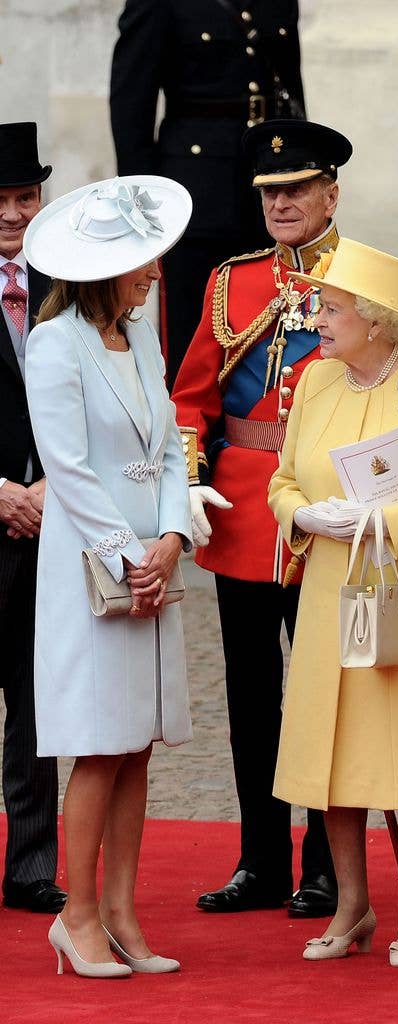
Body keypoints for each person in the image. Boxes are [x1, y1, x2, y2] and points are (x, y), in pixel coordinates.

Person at [173, 119, 398, 918]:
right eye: (269, 193)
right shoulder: (230, 283)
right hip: (250, 512)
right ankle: (258, 859)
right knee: (252, 695)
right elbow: (193, 400)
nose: (280, 204)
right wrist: (189, 485)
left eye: (295, 189)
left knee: (333, 693)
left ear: (330, 193)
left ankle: (325, 864)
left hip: (339, 516)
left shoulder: (374, 281)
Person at [268, 238, 398, 965]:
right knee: (336, 748)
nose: (315, 317)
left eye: (331, 306)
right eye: (319, 305)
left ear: (377, 321)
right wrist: (301, 515)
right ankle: (351, 904)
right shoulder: (314, 382)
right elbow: (283, 479)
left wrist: (384, 522)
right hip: (330, 586)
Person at [23, 175, 194, 977]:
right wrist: (131, 551)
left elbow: (166, 447)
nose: (156, 274)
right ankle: (78, 915)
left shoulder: (146, 336)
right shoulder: (54, 343)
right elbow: (68, 466)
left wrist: (170, 534)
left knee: (137, 744)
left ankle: (123, 910)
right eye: (143, 263)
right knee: (97, 745)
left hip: (148, 562)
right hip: (89, 566)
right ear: (103, 269)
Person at [110, 0, 305, 389]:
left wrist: (303, 175)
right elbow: (132, 102)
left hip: (268, 186)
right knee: (193, 330)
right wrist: (141, 206)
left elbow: (292, 93)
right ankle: (188, 440)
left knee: (276, 318)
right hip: (194, 193)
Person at [0, 121, 65, 915]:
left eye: (25, 196)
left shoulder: (62, 283)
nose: (14, 213)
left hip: (50, 518)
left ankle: (31, 864)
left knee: (38, 698)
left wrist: (54, 484)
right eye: (2, 200)